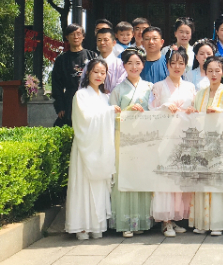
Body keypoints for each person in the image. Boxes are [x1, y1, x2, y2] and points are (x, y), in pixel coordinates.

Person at [65, 59, 119, 240]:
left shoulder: (105, 97)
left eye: (103, 73)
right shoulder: (80, 95)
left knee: (98, 188)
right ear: (88, 73)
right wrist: (109, 112)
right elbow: (84, 121)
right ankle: (81, 226)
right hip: (85, 148)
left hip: (101, 148)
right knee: (83, 186)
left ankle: (97, 225)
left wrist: (112, 112)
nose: (99, 76)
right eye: (96, 71)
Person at [149, 47, 196, 237]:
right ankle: (165, 221)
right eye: (173, 63)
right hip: (164, 137)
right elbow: (150, 110)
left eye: (181, 63)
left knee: (179, 178)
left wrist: (192, 111)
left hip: (183, 136)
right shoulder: (158, 86)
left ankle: (175, 217)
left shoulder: (190, 87)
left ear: (185, 66)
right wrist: (163, 107)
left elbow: (195, 109)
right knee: (165, 177)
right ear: (167, 65)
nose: (177, 66)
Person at [189, 56, 223, 236]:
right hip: (202, 143)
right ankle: (203, 222)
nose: (214, 74)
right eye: (210, 70)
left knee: (219, 183)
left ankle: (218, 222)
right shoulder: (200, 94)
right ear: (205, 72)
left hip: (221, 144)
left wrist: (221, 112)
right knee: (202, 181)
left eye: (217, 70)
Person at [108, 48, 154, 237]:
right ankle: (125, 222)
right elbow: (110, 116)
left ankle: (141, 220)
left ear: (143, 65)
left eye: (138, 63)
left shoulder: (150, 87)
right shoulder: (118, 89)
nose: (134, 67)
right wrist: (126, 111)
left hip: (144, 138)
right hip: (123, 138)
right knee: (125, 176)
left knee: (142, 176)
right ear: (124, 66)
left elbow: (155, 112)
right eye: (130, 63)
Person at [52, 24, 98, 126]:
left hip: (90, 97)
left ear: (83, 36)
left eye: (78, 34)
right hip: (70, 100)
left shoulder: (92, 56)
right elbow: (56, 84)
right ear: (67, 37)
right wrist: (60, 106)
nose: (75, 37)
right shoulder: (62, 59)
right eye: (72, 34)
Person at [80, 28, 126, 93]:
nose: (102, 43)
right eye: (99, 40)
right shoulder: (90, 64)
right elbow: (82, 86)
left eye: (105, 40)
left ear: (114, 42)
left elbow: (121, 88)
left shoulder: (121, 65)